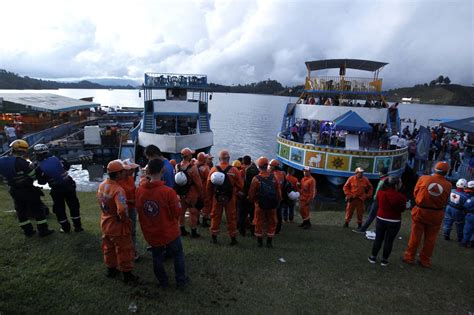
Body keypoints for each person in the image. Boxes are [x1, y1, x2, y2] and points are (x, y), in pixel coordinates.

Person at [135, 158, 188, 289]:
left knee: (157, 257)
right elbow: (177, 213)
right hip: (169, 231)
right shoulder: (168, 192)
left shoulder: (140, 191)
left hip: (151, 231)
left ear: (148, 171)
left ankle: (163, 282)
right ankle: (181, 281)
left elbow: (140, 210)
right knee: (178, 254)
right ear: (163, 170)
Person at [403, 161, 452, 268]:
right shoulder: (448, 185)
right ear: (446, 172)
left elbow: (415, 192)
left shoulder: (423, 178)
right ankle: (425, 260)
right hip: (436, 214)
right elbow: (446, 200)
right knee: (431, 239)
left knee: (415, 236)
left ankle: (409, 257)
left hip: (421, 211)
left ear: (435, 169)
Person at [0, 140, 54, 237]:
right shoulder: (21, 162)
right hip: (27, 190)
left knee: (21, 211)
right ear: (22, 151)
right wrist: (34, 168)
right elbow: (33, 176)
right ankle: (43, 230)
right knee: (38, 209)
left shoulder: (2, 160)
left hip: (14, 190)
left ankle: (28, 231)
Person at [97, 160, 137, 283]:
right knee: (124, 250)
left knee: (108, 249)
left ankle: (111, 270)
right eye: (123, 171)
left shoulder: (102, 185)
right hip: (117, 226)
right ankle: (127, 275)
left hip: (105, 222)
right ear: (118, 173)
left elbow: (101, 201)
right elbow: (122, 209)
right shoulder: (118, 190)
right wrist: (125, 220)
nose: (125, 172)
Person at [34, 143, 83, 233]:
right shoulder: (57, 158)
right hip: (68, 185)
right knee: (74, 206)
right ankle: (78, 227)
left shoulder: (38, 167)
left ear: (36, 154)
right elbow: (67, 166)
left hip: (56, 189)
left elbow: (42, 182)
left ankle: (65, 228)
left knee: (59, 208)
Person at [207, 149, 243, 245]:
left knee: (215, 216)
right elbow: (240, 185)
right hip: (230, 197)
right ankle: (233, 239)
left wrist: (210, 197)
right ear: (229, 158)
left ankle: (214, 237)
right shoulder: (234, 170)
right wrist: (234, 191)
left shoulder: (213, 169)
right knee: (231, 217)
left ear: (219, 159)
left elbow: (208, 186)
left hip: (216, 197)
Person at [368, 177, 407, 266]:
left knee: (378, 238)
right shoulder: (400, 197)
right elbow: (402, 209)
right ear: (396, 185)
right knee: (389, 241)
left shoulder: (380, 193)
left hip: (381, 218)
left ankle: (373, 257)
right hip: (394, 220)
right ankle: (384, 260)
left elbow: (378, 203)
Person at [248, 157, 281, 247]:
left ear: (259, 166)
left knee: (259, 222)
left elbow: (251, 193)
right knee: (272, 222)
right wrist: (278, 201)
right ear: (267, 166)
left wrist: (253, 201)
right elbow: (278, 191)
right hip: (272, 205)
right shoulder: (274, 177)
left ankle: (259, 242)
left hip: (260, 204)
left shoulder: (256, 179)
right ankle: (269, 243)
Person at [175, 147, 203, 238]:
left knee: (181, 212)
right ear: (189, 156)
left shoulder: (177, 166)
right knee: (193, 212)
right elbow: (198, 183)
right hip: (191, 194)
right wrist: (201, 194)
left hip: (180, 193)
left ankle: (181, 229)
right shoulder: (193, 168)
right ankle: (193, 232)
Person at [117, 159, 140, 259]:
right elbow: (118, 199)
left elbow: (134, 191)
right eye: (131, 169)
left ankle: (132, 250)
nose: (133, 171)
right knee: (123, 231)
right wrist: (131, 201)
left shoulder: (130, 179)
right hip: (123, 209)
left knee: (132, 230)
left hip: (132, 208)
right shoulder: (117, 182)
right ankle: (124, 252)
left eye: (134, 169)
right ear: (125, 170)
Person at [240, 155, 259, 236]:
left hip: (246, 195)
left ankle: (242, 231)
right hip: (254, 196)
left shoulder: (246, 171)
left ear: (243, 162)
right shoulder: (256, 170)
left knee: (242, 214)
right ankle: (253, 231)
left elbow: (246, 185)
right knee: (252, 214)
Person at [269, 159, 286, 234]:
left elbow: (273, 186)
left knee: (274, 214)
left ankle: (275, 229)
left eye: (270, 166)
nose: (269, 167)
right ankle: (277, 228)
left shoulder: (274, 175)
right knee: (278, 213)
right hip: (280, 196)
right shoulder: (282, 173)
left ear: (274, 167)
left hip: (275, 197)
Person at [196, 152, 211, 227]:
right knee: (206, 205)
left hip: (196, 188)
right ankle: (204, 221)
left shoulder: (194, 165)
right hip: (204, 188)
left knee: (197, 205)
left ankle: (197, 220)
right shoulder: (205, 168)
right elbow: (209, 178)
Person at [460, 181, 474, 247]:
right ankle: (472, 242)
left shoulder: (472, 198)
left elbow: (466, 206)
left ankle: (464, 243)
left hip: (471, 216)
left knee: (467, 230)